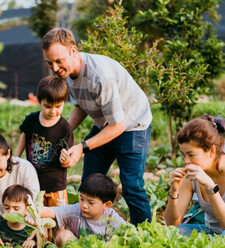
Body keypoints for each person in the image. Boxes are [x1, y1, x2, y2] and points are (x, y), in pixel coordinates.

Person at [42, 27, 152, 225]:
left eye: (59, 61)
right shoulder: (67, 73)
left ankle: (144, 238)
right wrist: (61, 132)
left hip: (133, 124)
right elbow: (81, 106)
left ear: (73, 50)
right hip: (106, 124)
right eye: (49, 63)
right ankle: (93, 232)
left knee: (132, 188)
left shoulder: (99, 76)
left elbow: (118, 126)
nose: (55, 68)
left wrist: (82, 147)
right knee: (88, 186)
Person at [15, 75, 74, 207]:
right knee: (36, 217)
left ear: (64, 102)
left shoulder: (65, 129)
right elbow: (25, 135)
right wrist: (16, 156)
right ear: (39, 101)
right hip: (33, 181)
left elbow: (67, 158)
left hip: (56, 185)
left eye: (58, 106)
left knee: (58, 219)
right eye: (48, 106)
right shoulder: (31, 120)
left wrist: (65, 160)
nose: (53, 111)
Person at [27, 173, 125, 247]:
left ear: (106, 205)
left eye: (91, 202)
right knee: (63, 235)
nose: (84, 206)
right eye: (82, 199)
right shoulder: (75, 210)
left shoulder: (114, 220)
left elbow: (129, 235)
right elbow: (51, 211)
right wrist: (33, 213)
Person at [0, 184, 40, 248]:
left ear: (27, 210)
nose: (10, 212)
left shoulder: (32, 227)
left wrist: (33, 242)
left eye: (16, 209)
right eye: (6, 208)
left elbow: (42, 243)